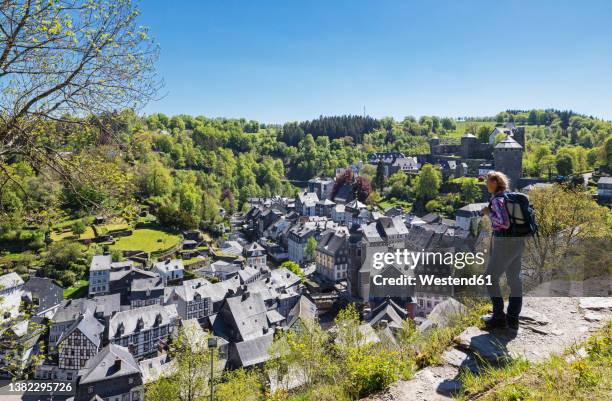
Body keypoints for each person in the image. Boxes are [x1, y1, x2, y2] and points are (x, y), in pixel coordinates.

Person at [481, 171, 525, 330]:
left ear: (495, 183)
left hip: (505, 243)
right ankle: (513, 318)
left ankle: (498, 316)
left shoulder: (498, 200)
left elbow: (504, 223)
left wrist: (488, 213)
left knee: (489, 277)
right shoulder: (509, 198)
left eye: (489, 181)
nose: (486, 184)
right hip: (517, 242)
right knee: (514, 279)